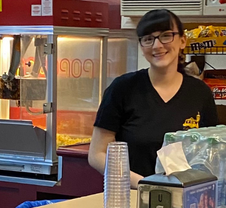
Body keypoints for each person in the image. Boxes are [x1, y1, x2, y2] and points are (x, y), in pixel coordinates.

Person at [88, 9, 218, 188]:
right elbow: (97, 154)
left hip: (186, 200)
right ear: (141, 47)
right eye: (148, 39)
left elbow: (211, 153)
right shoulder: (122, 89)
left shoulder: (200, 93)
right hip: (133, 197)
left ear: (182, 41)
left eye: (166, 36)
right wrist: (145, 185)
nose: (157, 45)